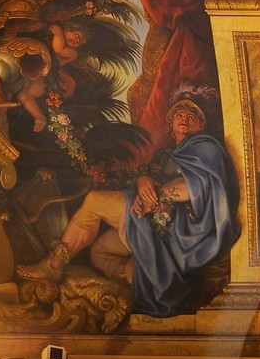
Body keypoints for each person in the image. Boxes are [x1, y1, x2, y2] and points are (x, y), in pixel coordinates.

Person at [17, 91, 241, 317]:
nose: (185, 117)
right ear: (170, 124)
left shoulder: (205, 146)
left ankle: (53, 266)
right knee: (99, 252)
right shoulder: (166, 156)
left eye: (193, 115)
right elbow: (150, 179)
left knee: (94, 201)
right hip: (155, 219)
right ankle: (138, 273)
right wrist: (144, 181)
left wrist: (155, 196)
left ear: (201, 125)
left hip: (184, 230)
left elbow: (200, 185)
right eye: (179, 114)